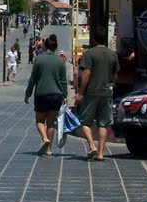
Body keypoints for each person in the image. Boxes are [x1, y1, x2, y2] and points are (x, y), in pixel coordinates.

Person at [75, 27, 119, 161]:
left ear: (94, 39)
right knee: (103, 123)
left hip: (91, 92)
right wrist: (112, 87)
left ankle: (91, 146)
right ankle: (100, 153)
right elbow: (115, 74)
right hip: (106, 92)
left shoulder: (90, 54)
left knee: (85, 121)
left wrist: (80, 93)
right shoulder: (113, 55)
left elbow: (86, 73)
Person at [24, 34, 68, 157]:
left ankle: (44, 139)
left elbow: (33, 79)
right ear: (55, 47)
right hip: (56, 95)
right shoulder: (60, 60)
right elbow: (63, 80)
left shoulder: (39, 59)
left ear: (44, 46)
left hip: (41, 93)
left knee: (39, 120)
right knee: (50, 123)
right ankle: (49, 150)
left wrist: (28, 93)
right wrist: (65, 96)